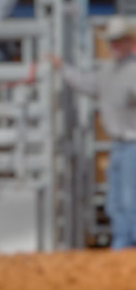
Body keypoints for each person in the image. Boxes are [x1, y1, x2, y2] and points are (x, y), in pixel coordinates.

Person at [50, 16, 136, 249]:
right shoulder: (109, 71)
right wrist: (63, 68)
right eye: (112, 42)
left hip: (131, 143)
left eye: (119, 41)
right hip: (120, 144)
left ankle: (128, 250)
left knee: (129, 201)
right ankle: (122, 249)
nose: (114, 46)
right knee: (117, 202)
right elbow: (86, 83)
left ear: (131, 42)